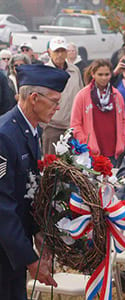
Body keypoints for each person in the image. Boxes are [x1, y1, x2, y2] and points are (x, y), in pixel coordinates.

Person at [0, 64, 70, 299]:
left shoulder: (30, 131)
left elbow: (28, 190)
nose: (57, 107)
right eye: (53, 100)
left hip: (13, 246)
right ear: (33, 98)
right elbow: (3, 205)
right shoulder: (4, 135)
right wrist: (30, 259)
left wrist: (38, 231)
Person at [71, 59, 125, 165]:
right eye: (100, 74)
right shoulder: (82, 95)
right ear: (93, 74)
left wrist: (122, 140)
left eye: (107, 74)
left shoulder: (116, 95)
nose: (104, 78)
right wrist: (86, 143)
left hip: (112, 150)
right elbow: (75, 124)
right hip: (91, 152)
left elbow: (123, 120)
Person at [42, 36, 83, 155]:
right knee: (52, 168)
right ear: (49, 52)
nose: (60, 54)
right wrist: (44, 125)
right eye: (56, 51)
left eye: (62, 51)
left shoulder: (75, 70)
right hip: (52, 128)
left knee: (74, 168)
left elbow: (80, 95)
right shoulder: (44, 72)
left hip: (73, 129)